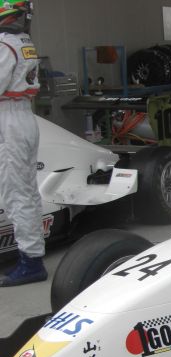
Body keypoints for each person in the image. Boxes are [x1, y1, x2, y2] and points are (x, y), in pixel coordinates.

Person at [0, 0, 47, 287]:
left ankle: (30, 262)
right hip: (23, 117)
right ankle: (32, 254)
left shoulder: (4, 44)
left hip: (10, 120)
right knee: (27, 192)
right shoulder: (23, 41)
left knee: (16, 194)